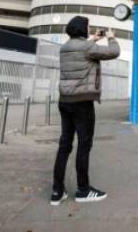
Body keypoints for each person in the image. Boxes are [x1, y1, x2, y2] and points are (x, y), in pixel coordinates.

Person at [51, 15, 120, 206]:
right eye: (88, 27)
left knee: (64, 145)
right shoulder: (88, 48)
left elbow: (82, 49)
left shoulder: (64, 48)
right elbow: (114, 52)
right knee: (84, 145)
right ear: (83, 29)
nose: (90, 30)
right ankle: (83, 190)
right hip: (82, 102)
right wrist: (111, 37)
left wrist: (94, 39)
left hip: (64, 101)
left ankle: (57, 191)